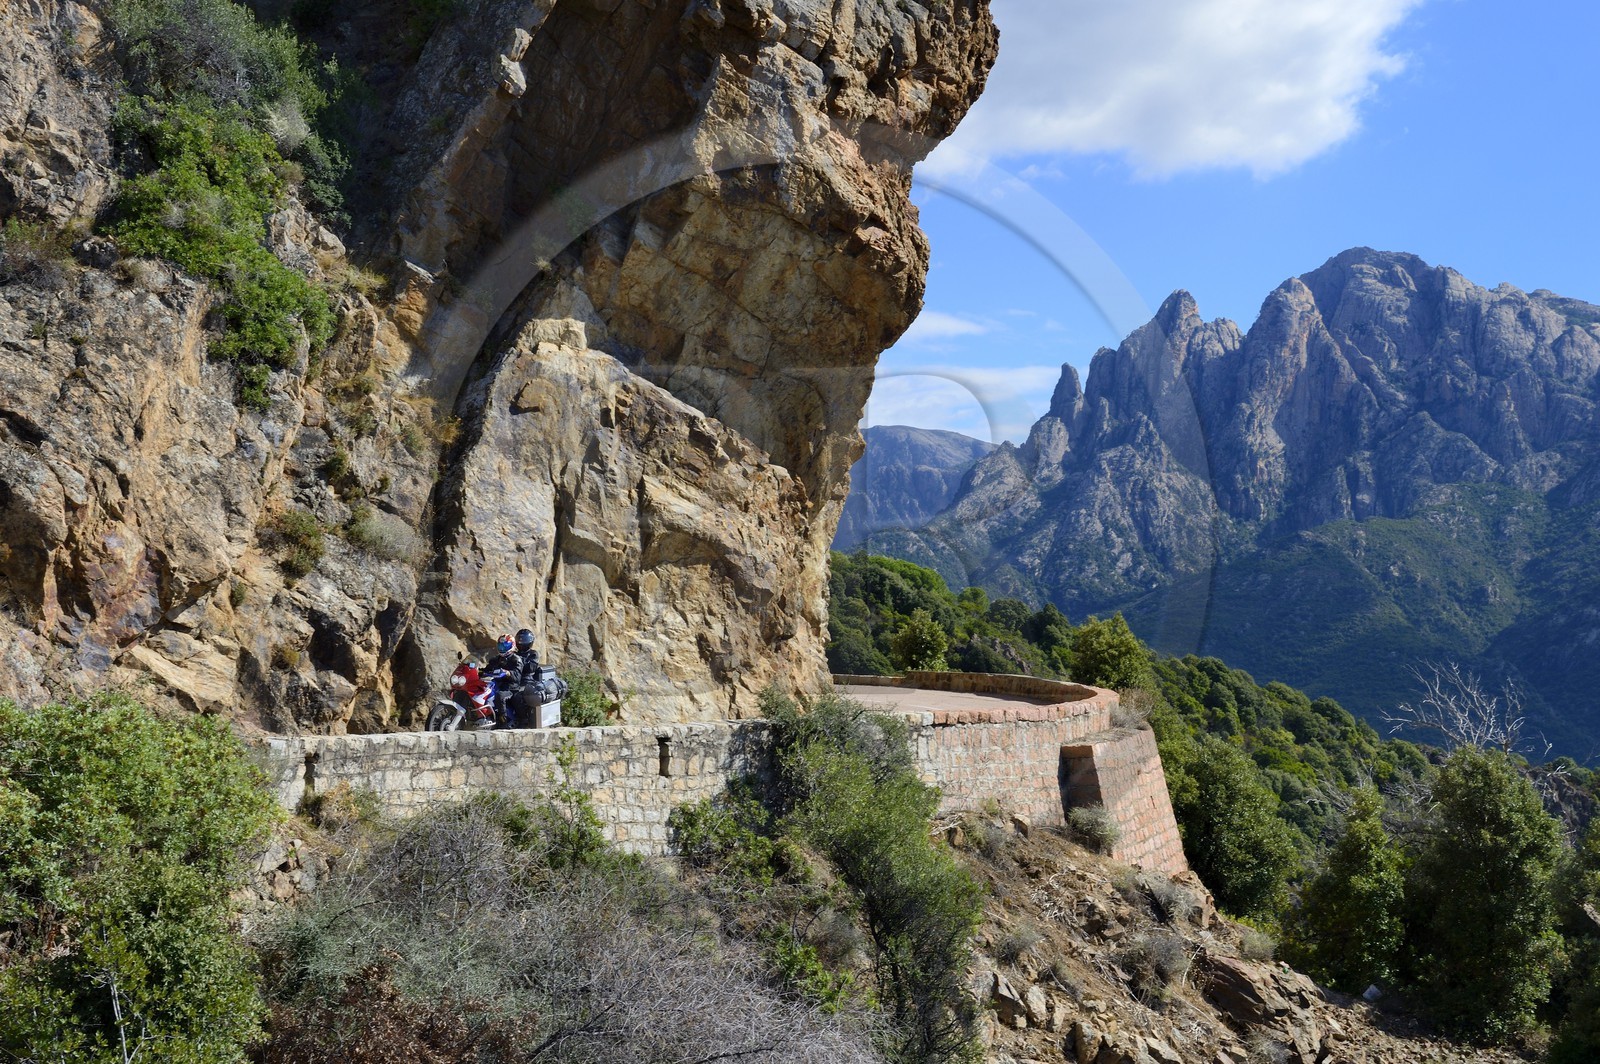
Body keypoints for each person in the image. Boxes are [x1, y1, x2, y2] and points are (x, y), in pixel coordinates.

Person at [485, 633, 523, 728]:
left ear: (512, 645)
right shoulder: (496, 659)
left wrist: (508, 673)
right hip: (497, 685)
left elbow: (517, 676)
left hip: (511, 688)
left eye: (505, 645)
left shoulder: (516, 659)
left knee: (500, 695)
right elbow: (487, 669)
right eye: (500, 645)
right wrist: (478, 670)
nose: (502, 648)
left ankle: (503, 720)